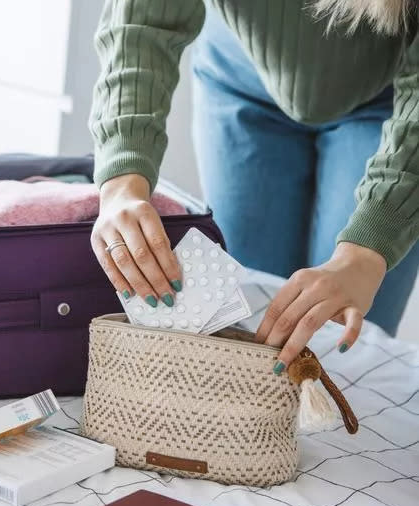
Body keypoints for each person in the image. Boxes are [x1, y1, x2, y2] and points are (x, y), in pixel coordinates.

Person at [89, 0, 419, 373]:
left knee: (343, 351)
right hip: (238, 79)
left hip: (391, 104)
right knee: (244, 334)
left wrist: (365, 253)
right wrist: (122, 182)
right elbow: (142, 23)